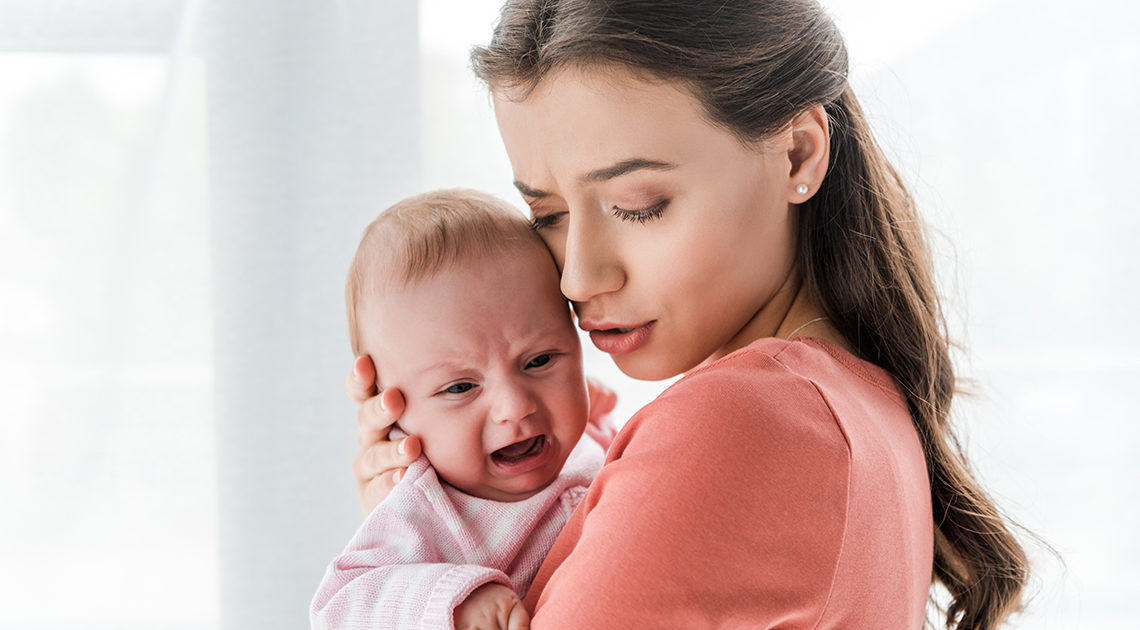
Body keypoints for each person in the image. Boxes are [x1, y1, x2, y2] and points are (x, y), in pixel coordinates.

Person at [347, 1, 1031, 628]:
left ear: (798, 153)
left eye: (639, 204)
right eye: (546, 215)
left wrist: (424, 563)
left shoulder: (745, 421)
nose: (579, 277)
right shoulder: (853, 402)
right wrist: (431, 529)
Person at [312, 189, 617, 629]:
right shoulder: (425, 510)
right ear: (392, 413)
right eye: (460, 387)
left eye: (539, 361)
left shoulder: (584, 441)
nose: (514, 407)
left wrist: (600, 420)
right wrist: (455, 600)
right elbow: (338, 607)